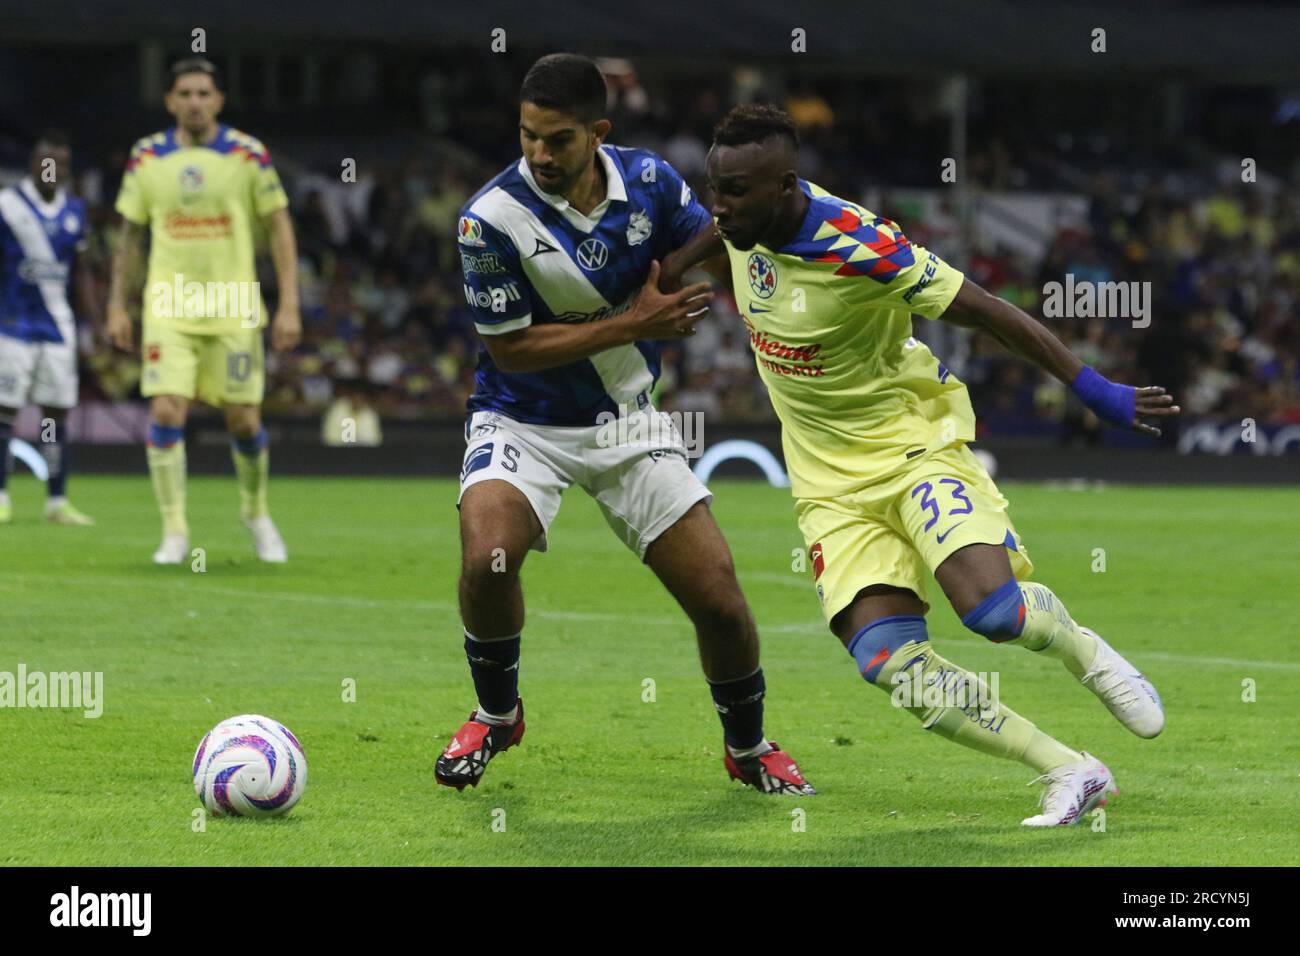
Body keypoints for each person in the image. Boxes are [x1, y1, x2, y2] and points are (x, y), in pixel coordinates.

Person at [663, 104, 1177, 826]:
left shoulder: (859, 244)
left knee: (994, 612)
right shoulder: (737, 222)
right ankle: (1070, 769)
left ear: (785, 185)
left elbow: (987, 310)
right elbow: (706, 233)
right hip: (827, 485)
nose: (719, 206)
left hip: (910, 446)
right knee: (885, 659)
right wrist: (663, 275)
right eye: (714, 188)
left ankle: (1087, 654)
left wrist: (1092, 387)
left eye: (736, 192)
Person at [436, 54, 814, 796]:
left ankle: (748, 747)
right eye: (528, 136)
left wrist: (776, 308)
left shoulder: (650, 181)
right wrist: (633, 324)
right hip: (522, 422)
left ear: (597, 132)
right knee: (488, 562)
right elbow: (511, 349)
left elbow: (719, 250)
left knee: (720, 600)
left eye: (558, 139)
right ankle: (497, 713)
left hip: (627, 425)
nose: (540, 154)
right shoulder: (490, 219)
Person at [106, 57, 301, 563]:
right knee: (166, 408)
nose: (194, 102)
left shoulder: (247, 154)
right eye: (185, 94)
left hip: (234, 304)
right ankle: (174, 530)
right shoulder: (146, 156)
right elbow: (129, 236)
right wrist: (116, 305)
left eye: (203, 94)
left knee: (243, 420)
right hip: (168, 303)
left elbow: (279, 226)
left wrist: (289, 304)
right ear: (170, 101)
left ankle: (255, 512)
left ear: (219, 101)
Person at [0, 131, 97, 525]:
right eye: (47, 163)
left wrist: (95, 322)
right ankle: (1, 496)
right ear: (33, 165)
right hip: (11, 324)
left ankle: (57, 501)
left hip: (57, 326)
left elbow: (82, 271)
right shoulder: (7, 205)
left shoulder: (74, 210)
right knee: (5, 409)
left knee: (53, 415)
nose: (53, 171)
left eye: (61, 165)